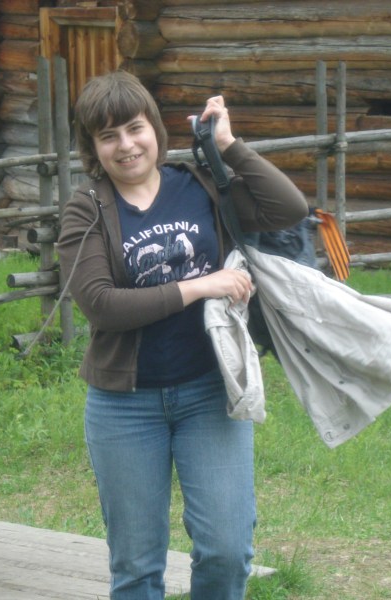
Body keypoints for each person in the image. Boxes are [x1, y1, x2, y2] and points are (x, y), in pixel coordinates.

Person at [56, 70, 308, 600]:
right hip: (125, 405)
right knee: (137, 567)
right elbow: (101, 305)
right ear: (92, 147)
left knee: (227, 551)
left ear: (154, 128)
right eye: (108, 136)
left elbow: (289, 209)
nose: (126, 145)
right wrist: (199, 286)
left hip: (209, 392)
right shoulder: (88, 208)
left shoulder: (199, 185)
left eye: (134, 128)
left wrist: (229, 146)